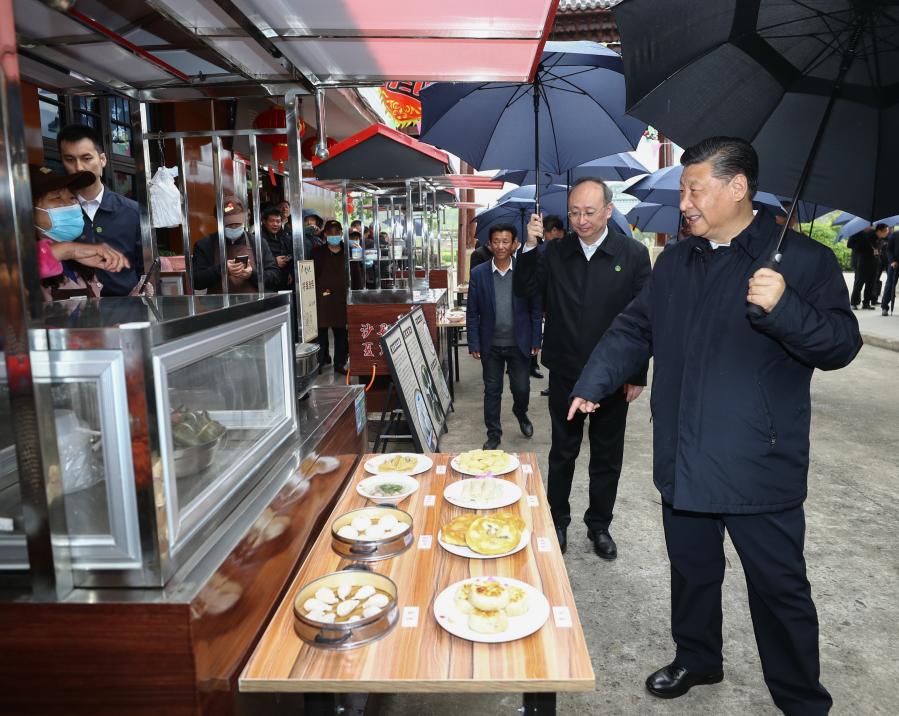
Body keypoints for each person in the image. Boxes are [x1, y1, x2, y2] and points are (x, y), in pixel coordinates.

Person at [568, 137, 861, 713]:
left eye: (694, 190)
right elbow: (635, 328)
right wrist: (593, 381)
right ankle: (697, 657)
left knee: (778, 590)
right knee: (692, 570)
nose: (684, 203)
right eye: (683, 190)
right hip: (684, 453)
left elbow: (841, 346)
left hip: (758, 463)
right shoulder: (677, 262)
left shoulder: (803, 262)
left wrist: (786, 308)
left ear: (737, 187)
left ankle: (801, 700)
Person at [514, 176, 651, 558]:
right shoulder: (554, 252)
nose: (581, 220)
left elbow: (645, 319)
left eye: (589, 212)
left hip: (614, 376)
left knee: (607, 457)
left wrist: (637, 373)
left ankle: (599, 525)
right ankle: (557, 520)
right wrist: (530, 246)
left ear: (608, 210)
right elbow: (524, 289)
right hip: (567, 371)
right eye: (574, 212)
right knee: (563, 452)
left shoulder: (633, 254)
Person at [467, 224, 542, 449]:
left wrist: (536, 338)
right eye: (496, 241)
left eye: (505, 241)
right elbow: (472, 312)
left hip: (519, 343)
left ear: (514, 244)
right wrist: (474, 342)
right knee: (492, 391)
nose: (500, 246)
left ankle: (520, 412)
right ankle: (493, 434)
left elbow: (535, 309)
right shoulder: (479, 274)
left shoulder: (524, 271)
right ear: (490, 244)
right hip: (491, 345)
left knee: (522, 389)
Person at [57, 123, 143, 296]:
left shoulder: (132, 212)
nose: (79, 168)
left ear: (102, 159)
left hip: (127, 308)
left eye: (86, 158)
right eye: (70, 159)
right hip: (74, 309)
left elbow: (146, 269)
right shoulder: (55, 212)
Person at [29, 164, 130, 300]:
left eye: (72, 197)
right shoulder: (16, 264)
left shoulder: (81, 263)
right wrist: (70, 250)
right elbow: (24, 267)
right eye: (57, 198)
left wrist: (131, 300)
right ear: (29, 211)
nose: (70, 204)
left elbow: (94, 309)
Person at [192, 196, 279, 294]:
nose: (233, 227)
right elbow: (196, 281)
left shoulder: (258, 243)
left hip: (252, 302)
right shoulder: (205, 245)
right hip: (218, 303)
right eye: (229, 224)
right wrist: (222, 270)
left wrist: (252, 275)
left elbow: (275, 277)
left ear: (244, 220)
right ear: (219, 222)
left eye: (237, 224)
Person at [312, 220, 363, 372]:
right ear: (325, 234)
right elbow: (311, 275)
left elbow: (356, 275)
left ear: (341, 233)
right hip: (322, 298)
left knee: (341, 332)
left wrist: (357, 296)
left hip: (342, 298)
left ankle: (340, 363)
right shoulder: (316, 252)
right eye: (330, 232)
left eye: (337, 232)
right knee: (320, 332)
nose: (334, 235)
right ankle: (320, 362)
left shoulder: (350, 251)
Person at [847, 224, 886, 310]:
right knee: (859, 282)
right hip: (863, 260)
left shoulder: (873, 234)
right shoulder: (857, 233)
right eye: (868, 225)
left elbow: (878, 244)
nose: (869, 227)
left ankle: (866, 303)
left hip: (874, 261)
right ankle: (854, 302)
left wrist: (877, 248)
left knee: (870, 283)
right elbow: (849, 245)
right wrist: (863, 245)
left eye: (870, 225)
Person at [260, 205, 293, 290]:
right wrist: (274, 262)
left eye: (278, 221)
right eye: (271, 221)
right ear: (264, 221)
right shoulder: (258, 238)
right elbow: (256, 262)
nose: (275, 224)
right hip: (267, 283)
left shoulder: (284, 236)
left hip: (283, 281)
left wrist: (289, 272)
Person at [882, 228, 899, 315]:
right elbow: (889, 249)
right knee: (890, 285)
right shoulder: (895, 235)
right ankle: (884, 307)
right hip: (894, 264)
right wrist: (892, 261)